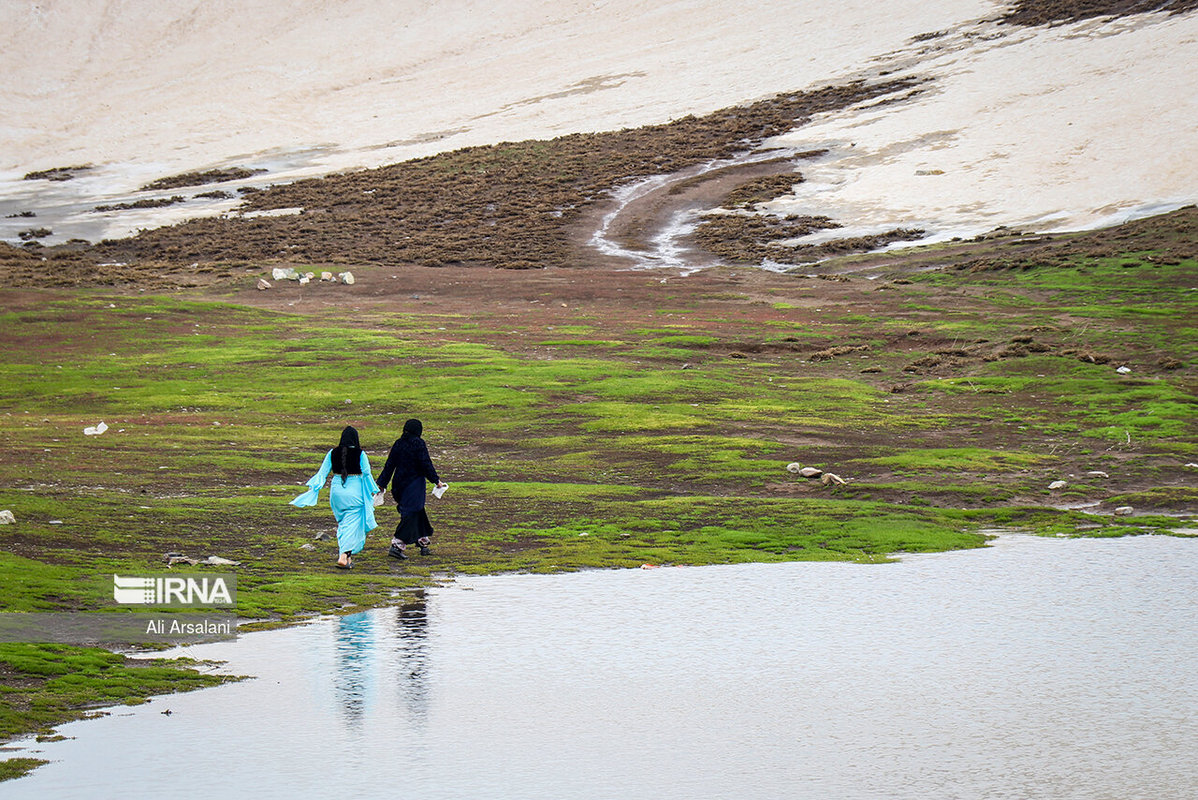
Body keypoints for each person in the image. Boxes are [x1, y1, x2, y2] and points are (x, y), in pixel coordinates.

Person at [290, 425, 380, 569]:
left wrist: (314, 488)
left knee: (344, 523)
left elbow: (322, 473)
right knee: (353, 524)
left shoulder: (332, 453)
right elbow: (367, 473)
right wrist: (373, 489)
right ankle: (343, 555)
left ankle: (347, 558)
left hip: (337, 491)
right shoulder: (360, 454)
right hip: (355, 492)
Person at [376, 418, 447, 560]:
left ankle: (422, 540)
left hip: (399, 485)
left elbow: (389, 465)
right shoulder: (418, 444)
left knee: (416, 510)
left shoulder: (398, 443)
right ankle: (397, 544)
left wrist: (382, 484)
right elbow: (426, 464)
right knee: (411, 513)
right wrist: (436, 481)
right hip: (414, 485)